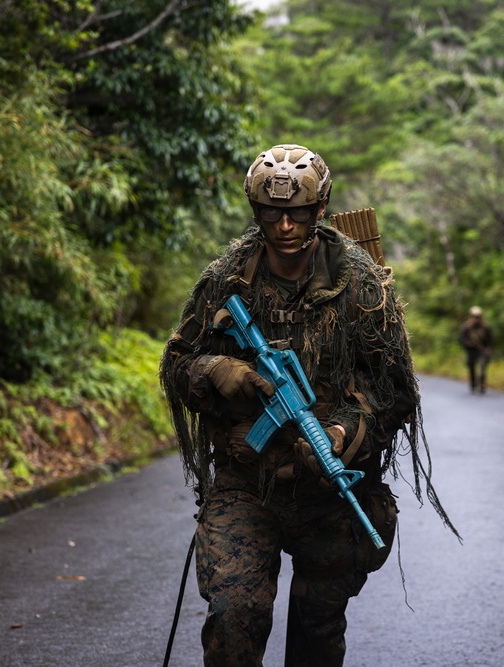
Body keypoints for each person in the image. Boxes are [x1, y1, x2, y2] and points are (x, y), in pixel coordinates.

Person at [159, 144, 455, 665]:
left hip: (328, 492)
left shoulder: (359, 284)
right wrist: (218, 371)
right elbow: (178, 363)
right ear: (256, 211)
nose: (285, 226)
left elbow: (395, 392)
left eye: (298, 212)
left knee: (318, 630)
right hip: (246, 482)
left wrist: (342, 435)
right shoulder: (228, 279)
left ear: (320, 209)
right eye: (272, 212)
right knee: (233, 616)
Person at [458, 306, 493, 394]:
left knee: (482, 367)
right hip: (471, 350)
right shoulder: (466, 327)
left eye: (477, 316)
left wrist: (489, 349)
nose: (476, 318)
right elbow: (461, 339)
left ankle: (482, 384)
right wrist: (468, 344)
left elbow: (490, 340)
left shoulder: (485, 327)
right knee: (471, 367)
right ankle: (473, 384)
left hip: (482, 350)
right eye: (474, 316)